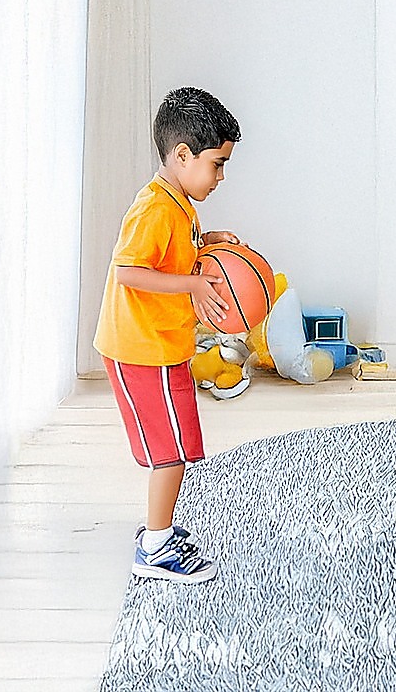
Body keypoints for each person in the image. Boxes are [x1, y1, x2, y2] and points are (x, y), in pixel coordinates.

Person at [94, 87, 242, 583]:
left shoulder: (178, 203)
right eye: (217, 164)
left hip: (161, 346)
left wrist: (209, 240)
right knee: (171, 455)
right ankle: (155, 546)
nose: (220, 177)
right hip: (142, 351)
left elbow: (172, 252)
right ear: (182, 155)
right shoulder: (154, 209)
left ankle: (159, 530)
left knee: (178, 446)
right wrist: (194, 285)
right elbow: (129, 272)